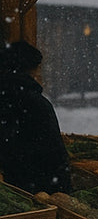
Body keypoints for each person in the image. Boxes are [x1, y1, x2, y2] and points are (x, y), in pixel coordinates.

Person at [0, 40, 72, 193]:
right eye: (38, 68)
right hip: (37, 187)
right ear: (32, 70)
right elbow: (55, 154)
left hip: (10, 184)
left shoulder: (6, 97)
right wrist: (65, 191)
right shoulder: (36, 104)